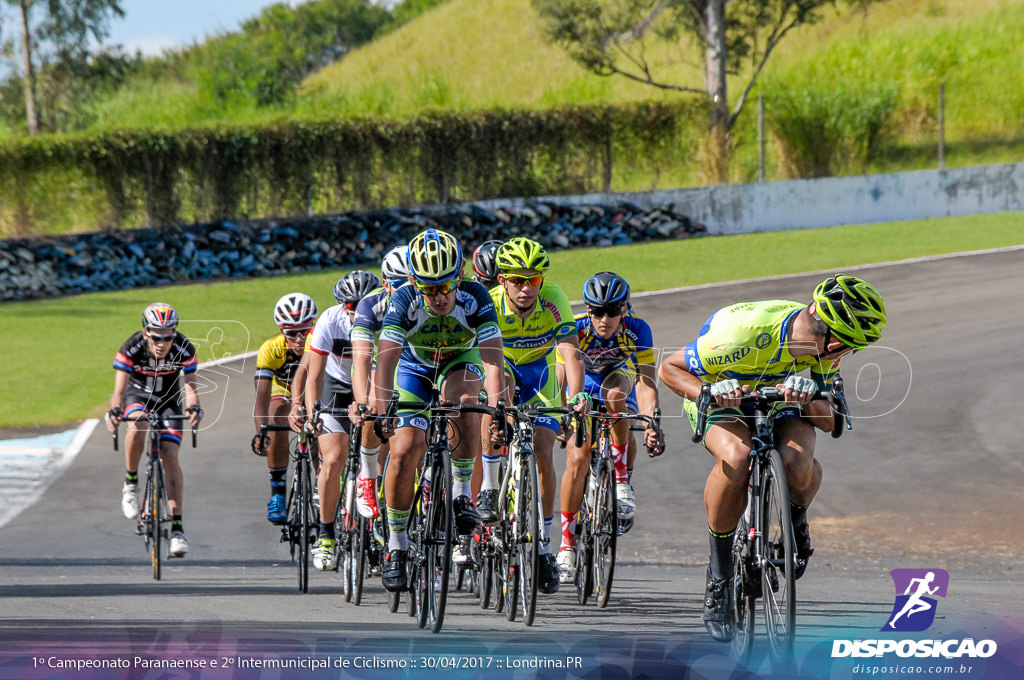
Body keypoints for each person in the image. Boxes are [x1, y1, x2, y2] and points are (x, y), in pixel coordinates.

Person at [657, 274, 886, 642]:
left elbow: (830, 422)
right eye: (847, 346)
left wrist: (809, 398)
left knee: (796, 464)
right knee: (738, 455)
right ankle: (718, 576)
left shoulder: (824, 348)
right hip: (722, 396)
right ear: (827, 333)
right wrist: (709, 390)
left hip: (781, 402)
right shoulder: (738, 336)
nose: (848, 355)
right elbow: (669, 368)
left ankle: (796, 522)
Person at [371, 228, 505, 592]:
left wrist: (498, 408)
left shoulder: (475, 297)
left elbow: (493, 360)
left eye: (447, 286)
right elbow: (385, 362)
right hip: (413, 368)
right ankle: (397, 546)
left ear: (459, 276)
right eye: (430, 288)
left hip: (459, 361)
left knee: (465, 403)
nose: (441, 296)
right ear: (415, 282)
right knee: (404, 449)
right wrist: (383, 408)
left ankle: (461, 494)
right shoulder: (403, 301)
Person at [478, 236, 589, 594]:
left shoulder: (554, 300)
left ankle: (542, 546)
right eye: (517, 280)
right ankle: (489, 486)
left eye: (534, 280)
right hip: (502, 367)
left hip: (540, 373)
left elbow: (570, 353)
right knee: (495, 400)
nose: (526, 289)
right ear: (502, 281)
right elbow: (486, 363)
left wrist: (577, 396)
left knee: (542, 451)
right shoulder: (490, 304)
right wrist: (497, 410)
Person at [556, 272, 663, 584]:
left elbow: (646, 380)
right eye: (597, 312)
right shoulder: (575, 328)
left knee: (616, 397)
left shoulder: (637, 329)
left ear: (624, 310)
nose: (605, 319)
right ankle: (566, 543)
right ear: (588, 310)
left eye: (613, 311)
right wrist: (561, 413)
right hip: (582, 386)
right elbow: (562, 372)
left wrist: (652, 421)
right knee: (577, 460)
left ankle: (621, 480)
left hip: (619, 376)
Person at [106, 302, 203, 558]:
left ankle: (178, 529)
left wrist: (194, 408)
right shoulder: (132, 347)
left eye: (168, 336)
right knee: (139, 424)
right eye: (157, 337)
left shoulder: (184, 347)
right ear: (146, 332)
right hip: (137, 396)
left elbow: (190, 387)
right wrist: (115, 411)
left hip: (169, 400)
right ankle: (131, 483)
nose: (162, 342)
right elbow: (118, 391)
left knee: (170, 455)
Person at [303, 270, 380, 571]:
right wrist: (313, 413)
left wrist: (370, 406)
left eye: (364, 303)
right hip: (335, 387)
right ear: (342, 305)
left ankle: (377, 529)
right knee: (333, 458)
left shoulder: (384, 317)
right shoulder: (329, 320)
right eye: (351, 305)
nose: (357, 310)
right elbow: (314, 374)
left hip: (372, 384)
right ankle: (326, 535)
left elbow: (379, 370)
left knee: (380, 455)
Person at [349, 246, 410, 522]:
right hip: (379, 363)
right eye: (399, 284)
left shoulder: (427, 299)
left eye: (412, 282)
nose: (407, 290)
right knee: (374, 406)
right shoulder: (370, 305)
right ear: (385, 283)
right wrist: (363, 401)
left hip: (413, 364)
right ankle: (368, 475)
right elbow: (362, 359)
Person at [252, 293, 318, 525]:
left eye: (305, 331)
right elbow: (261, 396)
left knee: (319, 425)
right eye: (292, 333)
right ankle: (278, 493)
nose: (300, 339)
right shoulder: (270, 349)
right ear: (281, 331)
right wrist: (261, 431)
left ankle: (322, 482)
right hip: (285, 394)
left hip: (315, 392)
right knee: (276, 414)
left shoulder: (322, 341)